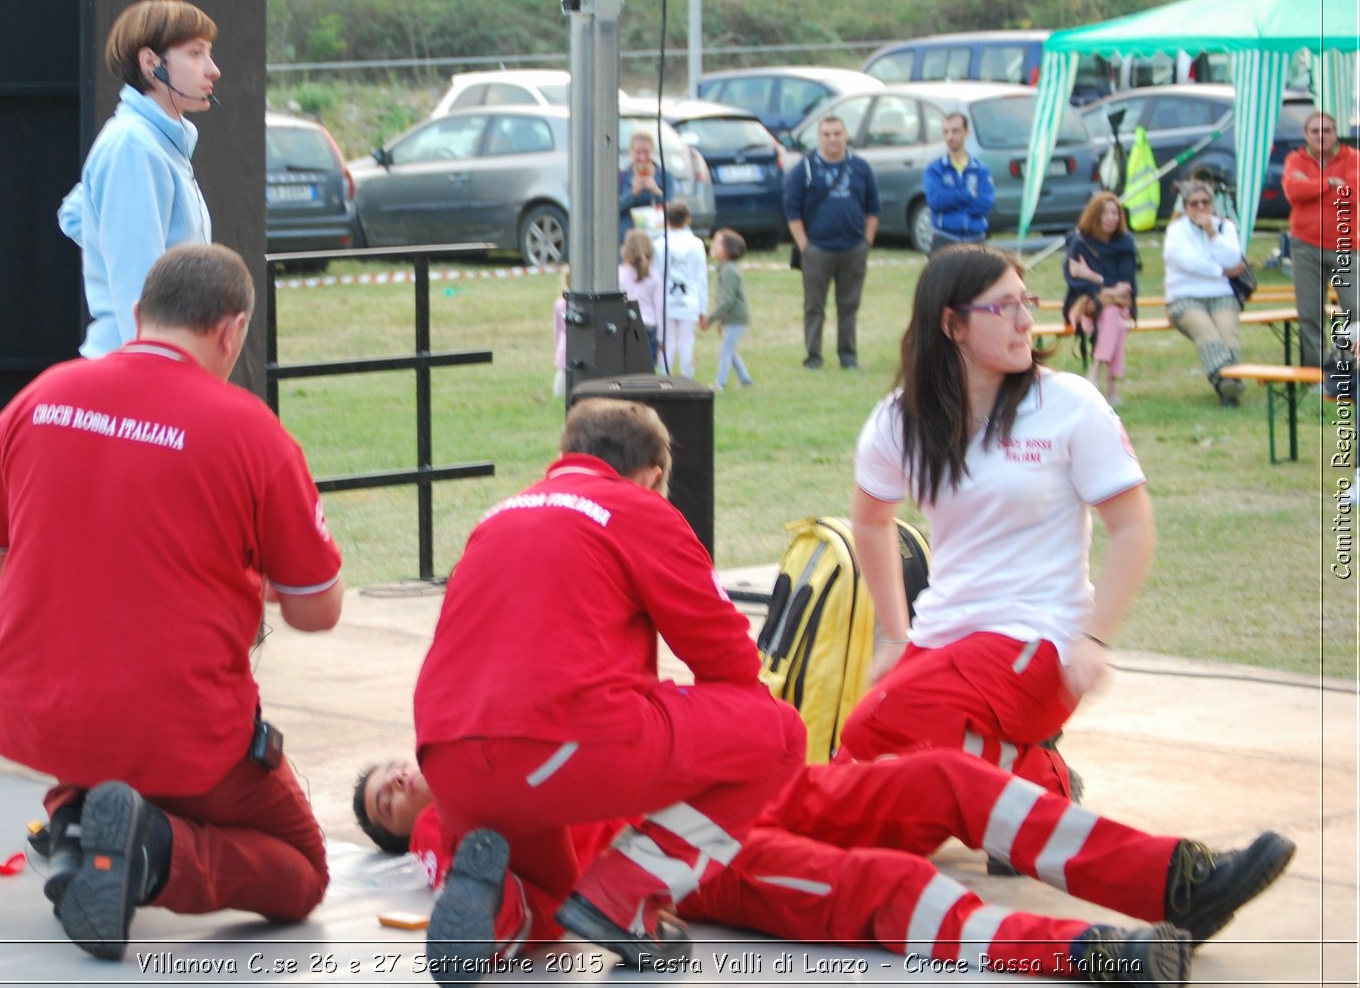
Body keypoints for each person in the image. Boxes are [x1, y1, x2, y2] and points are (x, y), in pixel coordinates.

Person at [0, 244, 344, 961]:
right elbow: (316, 609)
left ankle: (78, 828)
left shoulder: (40, 397)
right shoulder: (250, 431)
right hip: (180, 729)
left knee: (107, 760)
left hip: (35, 714)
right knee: (301, 873)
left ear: (137, 315)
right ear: (232, 332)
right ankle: (154, 854)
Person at [410, 399, 805, 978]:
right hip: (559, 742)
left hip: (448, 767)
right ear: (651, 476)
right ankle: (625, 895)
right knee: (779, 731)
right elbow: (731, 663)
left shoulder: (497, 515)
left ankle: (504, 913)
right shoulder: (639, 508)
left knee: (555, 902)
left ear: (564, 456)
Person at [356, 748, 1296, 987]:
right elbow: (468, 890)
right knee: (881, 894)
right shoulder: (451, 825)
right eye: (380, 804)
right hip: (689, 856)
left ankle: (1175, 882)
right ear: (401, 832)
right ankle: (1093, 953)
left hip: (743, 784)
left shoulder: (476, 739)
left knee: (947, 779)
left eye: (384, 773)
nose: (393, 784)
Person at [839, 244, 1155, 803]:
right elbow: (870, 521)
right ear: (952, 325)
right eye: (1004, 307)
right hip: (945, 636)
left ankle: (1037, 784)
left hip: (1040, 640)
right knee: (858, 768)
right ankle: (1024, 784)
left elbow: (1132, 526)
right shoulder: (900, 418)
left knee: (888, 719)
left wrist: (1094, 639)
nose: (1026, 320)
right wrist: (893, 634)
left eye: (1026, 302)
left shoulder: (1070, 404)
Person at [57, 0, 221, 358]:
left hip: (161, 363)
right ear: (151, 64)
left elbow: (74, 214)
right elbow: (140, 287)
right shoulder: (133, 146)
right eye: (195, 53)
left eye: (208, 53)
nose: (213, 70)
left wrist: (106, 239)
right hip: (143, 371)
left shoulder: (151, 142)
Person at [784, 114, 880, 370]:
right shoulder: (805, 169)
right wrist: (805, 246)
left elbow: (873, 209)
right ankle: (813, 357)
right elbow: (792, 210)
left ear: (845, 135)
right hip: (818, 250)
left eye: (837, 133)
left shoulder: (861, 167)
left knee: (849, 306)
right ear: (819, 138)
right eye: (827, 134)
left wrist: (866, 243)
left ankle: (848, 356)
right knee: (814, 307)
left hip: (853, 249)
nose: (832, 139)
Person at [1282, 111, 1360, 368]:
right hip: (1305, 245)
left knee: (1354, 311)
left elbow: (1351, 195)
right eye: (1315, 131)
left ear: (1335, 133)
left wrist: (1312, 187)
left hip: (1345, 245)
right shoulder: (1296, 159)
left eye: (1327, 130)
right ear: (1306, 135)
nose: (1321, 135)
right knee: (1310, 313)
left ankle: (1349, 366)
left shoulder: (1353, 158)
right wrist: (1328, 183)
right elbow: (1293, 192)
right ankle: (1314, 373)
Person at [1163, 180, 1248, 407]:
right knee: (1206, 332)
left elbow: (1233, 258)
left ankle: (1228, 388)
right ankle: (1228, 382)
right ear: (1186, 206)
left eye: (1205, 202)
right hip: (1184, 297)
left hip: (1222, 295)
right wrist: (1220, 271)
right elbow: (1186, 261)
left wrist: (1211, 231)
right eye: (1194, 203)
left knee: (1228, 334)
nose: (1200, 207)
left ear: (1212, 203)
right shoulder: (1176, 230)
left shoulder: (1224, 227)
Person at [1063, 192, 1139, 404]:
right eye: (1105, 213)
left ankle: (1095, 372)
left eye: (1115, 213)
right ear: (1095, 215)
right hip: (1083, 306)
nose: (1111, 218)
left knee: (1113, 316)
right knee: (1114, 319)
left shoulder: (1125, 243)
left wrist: (1094, 276)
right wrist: (1109, 289)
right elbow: (1075, 281)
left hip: (1116, 307)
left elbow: (1126, 284)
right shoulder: (1080, 243)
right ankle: (1111, 388)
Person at [924, 112, 995, 248]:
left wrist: (952, 204)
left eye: (955, 131)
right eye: (946, 132)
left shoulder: (981, 170)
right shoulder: (934, 169)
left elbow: (985, 203)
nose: (950, 136)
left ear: (966, 132)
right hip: (945, 238)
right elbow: (936, 202)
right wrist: (967, 194)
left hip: (976, 238)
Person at [657, 200, 708, 378]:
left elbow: (657, 275)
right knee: (687, 343)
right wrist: (703, 308)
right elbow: (701, 278)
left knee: (667, 343)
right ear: (688, 219)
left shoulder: (660, 245)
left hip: (666, 300)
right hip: (690, 300)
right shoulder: (697, 244)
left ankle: (665, 378)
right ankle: (687, 377)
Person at [700, 228, 752, 390]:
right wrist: (722, 322)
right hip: (732, 317)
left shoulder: (729, 270)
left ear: (729, 249)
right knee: (730, 350)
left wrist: (711, 319)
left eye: (718, 242)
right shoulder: (725, 268)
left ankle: (719, 384)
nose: (713, 245)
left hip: (736, 317)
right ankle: (745, 379)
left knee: (725, 351)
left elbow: (728, 301)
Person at [617, 130, 676, 242]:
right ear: (631, 152)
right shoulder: (622, 176)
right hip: (628, 240)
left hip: (656, 238)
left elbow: (672, 210)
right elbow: (613, 209)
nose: (642, 157)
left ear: (652, 152)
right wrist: (633, 194)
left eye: (646, 152)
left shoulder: (664, 176)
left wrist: (656, 191)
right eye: (638, 153)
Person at [618, 229, 664, 368]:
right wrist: (662, 338)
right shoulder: (654, 278)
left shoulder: (619, 274)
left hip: (625, 325)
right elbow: (659, 309)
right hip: (649, 326)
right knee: (647, 371)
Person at [552, 265, 570, 397]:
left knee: (562, 373)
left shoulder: (560, 303)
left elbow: (557, 329)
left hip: (564, 344)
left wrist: (557, 345)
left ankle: (557, 395)